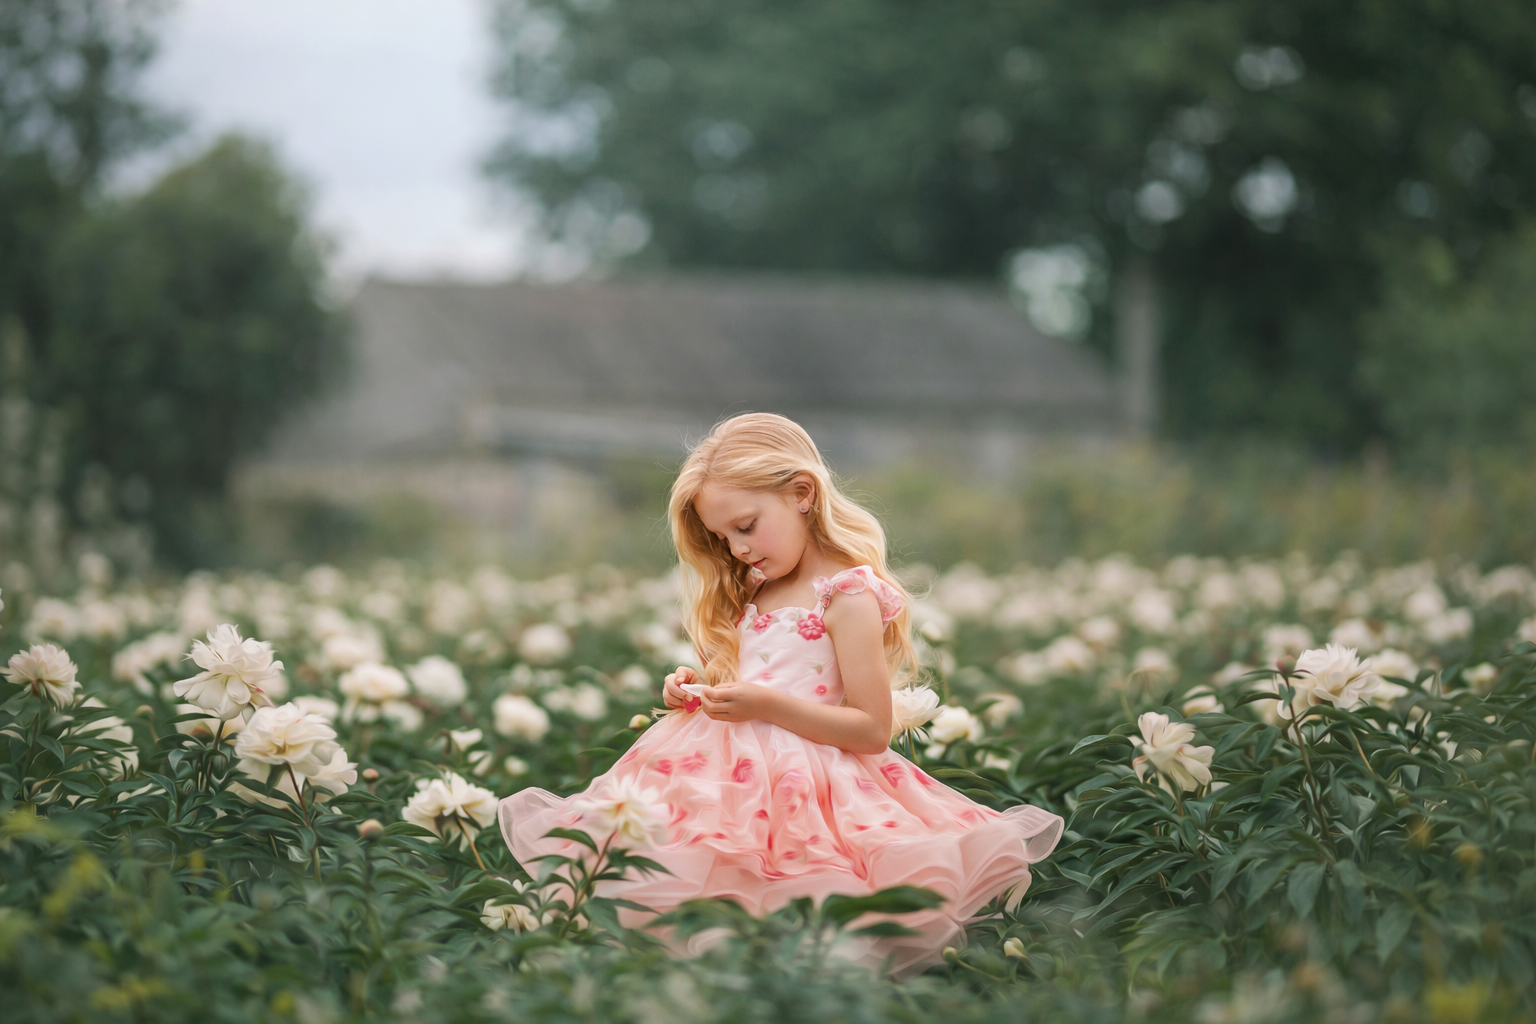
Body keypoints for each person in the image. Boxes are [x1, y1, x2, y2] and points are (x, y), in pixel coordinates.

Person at [497, 412, 1061, 976]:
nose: (737, 548)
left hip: (804, 779)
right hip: (715, 771)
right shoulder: (752, 587)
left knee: (798, 896)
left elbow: (870, 728)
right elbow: (749, 677)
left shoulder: (846, 594)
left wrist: (765, 707)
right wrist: (697, 689)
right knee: (685, 871)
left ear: (801, 494)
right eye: (723, 537)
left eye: (746, 526)